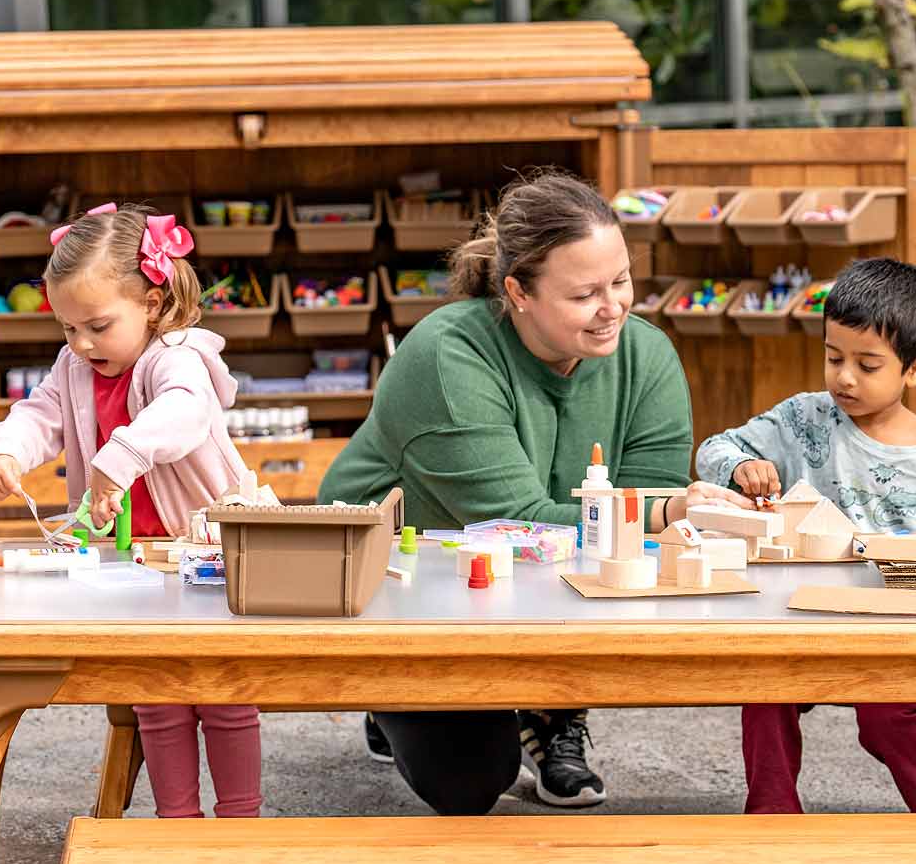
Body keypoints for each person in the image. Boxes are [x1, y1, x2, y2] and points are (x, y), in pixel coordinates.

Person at [320, 170, 754, 814]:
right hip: (404, 581)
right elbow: (519, 523)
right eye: (584, 294)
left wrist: (675, 511)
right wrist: (670, 509)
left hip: (534, 575)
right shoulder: (447, 355)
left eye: (620, 281)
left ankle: (552, 706)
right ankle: (398, 698)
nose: (612, 308)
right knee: (468, 783)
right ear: (519, 292)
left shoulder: (648, 356)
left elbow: (636, 536)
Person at [0, 202, 261, 820]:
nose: (81, 344)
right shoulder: (74, 366)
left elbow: (185, 413)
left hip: (209, 556)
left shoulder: (176, 357)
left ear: (153, 306)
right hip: (132, 564)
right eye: (67, 329)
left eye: (98, 326)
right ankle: (177, 825)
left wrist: (122, 453)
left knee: (224, 693)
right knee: (155, 695)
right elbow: (39, 414)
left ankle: (242, 823)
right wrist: (6, 451)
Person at [695, 257, 916, 816]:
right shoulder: (804, 419)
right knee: (767, 692)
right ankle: (772, 817)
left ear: (915, 369)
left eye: (867, 364)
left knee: (885, 714)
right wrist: (740, 470)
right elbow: (713, 450)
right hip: (799, 618)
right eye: (833, 357)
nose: (844, 377)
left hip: (893, 634)